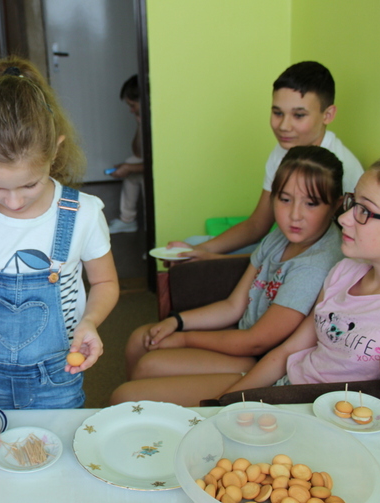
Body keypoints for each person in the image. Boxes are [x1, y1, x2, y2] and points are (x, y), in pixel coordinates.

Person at [0, 57, 120, 450]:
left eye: (29, 185)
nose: (13, 202)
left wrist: (90, 321)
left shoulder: (83, 213)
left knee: (59, 460)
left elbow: (105, 282)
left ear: (55, 151)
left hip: (59, 379)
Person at [110, 146, 345, 407]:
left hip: (263, 364)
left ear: (336, 204)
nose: (294, 215)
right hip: (243, 340)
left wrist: (185, 336)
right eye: (285, 199)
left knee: (146, 370)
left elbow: (256, 343)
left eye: (311, 203)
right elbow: (234, 305)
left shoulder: (314, 265)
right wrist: (177, 321)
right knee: (139, 340)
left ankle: (144, 414)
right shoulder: (281, 237)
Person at [222, 160, 380, 397]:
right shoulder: (344, 272)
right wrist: (227, 401)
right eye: (352, 203)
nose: (344, 219)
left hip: (315, 409)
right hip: (285, 388)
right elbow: (288, 351)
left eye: (364, 210)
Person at [168, 61, 363, 261]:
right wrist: (200, 249)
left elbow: (321, 255)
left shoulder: (336, 168)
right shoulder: (284, 151)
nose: (284, 126)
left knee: (198, 264)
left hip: (315, 260)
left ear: (328, 115)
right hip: (285, 247)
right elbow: (258, 224)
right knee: (191, 244)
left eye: (298, 115)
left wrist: (213, 260)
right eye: (278, 113)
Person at [108, 75, 144, 234]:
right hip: (153, 165)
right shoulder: (144, 118)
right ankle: (127, 220)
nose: (131, 110)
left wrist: (129, 168)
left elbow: (159, 165)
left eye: (133, 105)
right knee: (132, 160)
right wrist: (140, 125)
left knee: (132, 167)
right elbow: (138, 152)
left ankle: (154, 227)